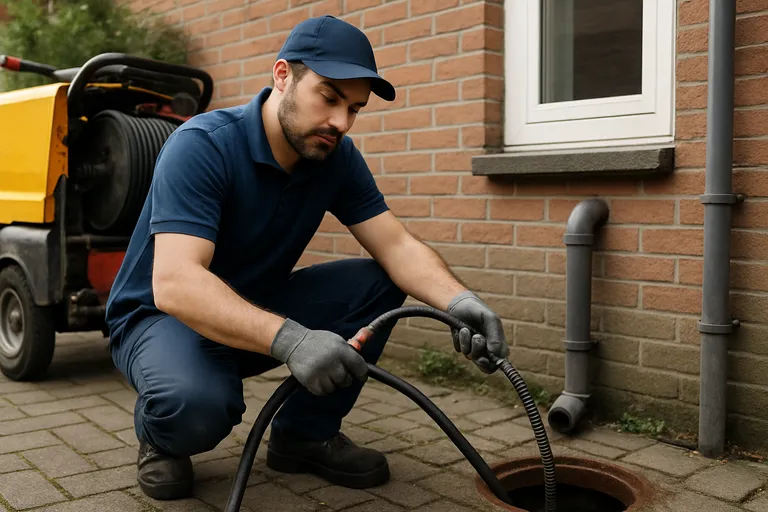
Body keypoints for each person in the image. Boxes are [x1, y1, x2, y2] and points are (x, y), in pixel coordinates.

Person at [104, 14, 510, 501]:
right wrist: (293, 341)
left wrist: (458, 300)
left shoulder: (333, 154)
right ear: (283, 76)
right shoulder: (203, 146)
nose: (341, 121)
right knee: (197, 407)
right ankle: (160, 435)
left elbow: (396, 245)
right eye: (330, 97)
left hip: (255, 305)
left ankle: (302, 436)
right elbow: (175, 282)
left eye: (354, 108)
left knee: (378, 284)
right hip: (160, 318)